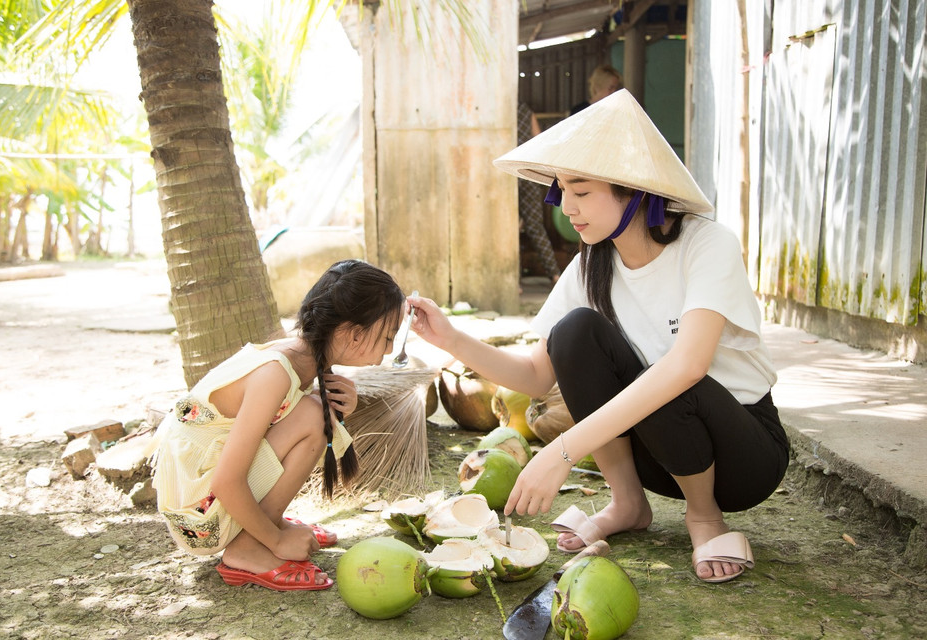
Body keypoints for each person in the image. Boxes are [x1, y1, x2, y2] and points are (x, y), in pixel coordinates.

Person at [407, 89, 789, 583]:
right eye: (562, 190)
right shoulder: (592, 263)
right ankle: (628, 502)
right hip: (661, 457)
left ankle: (704, 516)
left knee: (670, 374)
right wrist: (451, 339)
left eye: (582, 192)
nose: (567, 206)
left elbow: (688, 366)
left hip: (743, 456)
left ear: (634, 190)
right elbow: (536, 375)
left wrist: (561, 452)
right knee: (574, 333)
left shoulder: (707, 244)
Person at [152, 260, 405, 591]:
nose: (389, 350)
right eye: (387, 337)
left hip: (204, 494)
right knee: (315, 416)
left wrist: (343, 403)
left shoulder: (297, 357)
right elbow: (226, 481)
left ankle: (264, 523)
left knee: (316, 412)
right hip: (198, 517)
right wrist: (277, 541)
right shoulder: (275, 373)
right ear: (354, 333)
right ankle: (247, 547)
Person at [518, 102, 561, 282]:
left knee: (508, 229)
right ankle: (555, 275)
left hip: (505, 173)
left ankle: (513, 280)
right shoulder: (525, 110)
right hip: (526, 171)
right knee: (535, 226)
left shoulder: (493, 110)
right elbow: (538, 141)